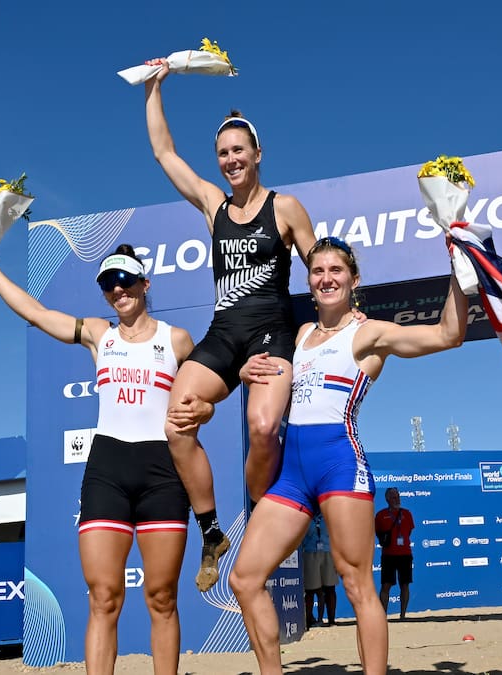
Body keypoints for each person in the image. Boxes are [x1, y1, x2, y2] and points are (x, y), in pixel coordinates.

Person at [229, 235, 467, 675]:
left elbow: (448, 334)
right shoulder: (302, 334)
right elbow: (266, 378)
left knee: (356, 584)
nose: (326, 279)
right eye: (318, 271)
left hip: (340, 464)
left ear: (354, 280)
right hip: (293, 473)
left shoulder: (368, 332)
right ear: (309, 281)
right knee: (244, 578)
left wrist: (459, 268)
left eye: (336, 270)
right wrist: (243, 370)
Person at [0, 239, 211, 675]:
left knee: (162, 598)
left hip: (163, 473)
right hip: (108, 471)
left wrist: (207, 408)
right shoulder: (98, 334)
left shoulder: (176, 340)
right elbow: (36, 313)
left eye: (125, 279)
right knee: (103, 598)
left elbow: (206, 395)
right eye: (107, 283)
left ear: (144, 283)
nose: (117, 289)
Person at [145, 62, 327, 591]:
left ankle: (263, 515)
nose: (230, 160)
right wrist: (155, 88)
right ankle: (211, 532)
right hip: (224, 334)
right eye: (223, 153)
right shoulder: (213, 206)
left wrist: (342, 321)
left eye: (238, 150)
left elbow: (320, 269)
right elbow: (164, 153)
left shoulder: (285, 207)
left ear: (257, 153)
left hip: (271, 333)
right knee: (177, 422)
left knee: (263, 427)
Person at [375, 487, 415, 620]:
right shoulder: (381, 515)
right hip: (388, 555)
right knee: (386, 585)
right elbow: (378, 533)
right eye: (393, 497)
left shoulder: (407, 514)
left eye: (398, 496)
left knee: (405, 584)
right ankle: (382, 616)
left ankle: (403, 615)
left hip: (405, 554)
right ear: (387, 499)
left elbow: (409, 531)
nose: (397, 499)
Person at [300, 514, 337, 627]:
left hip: (327, 552)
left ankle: (331, 620)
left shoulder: (328, 515)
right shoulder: (305, 516)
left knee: (330, 588)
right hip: (310, 552)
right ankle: (309, 620)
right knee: (310, 590)